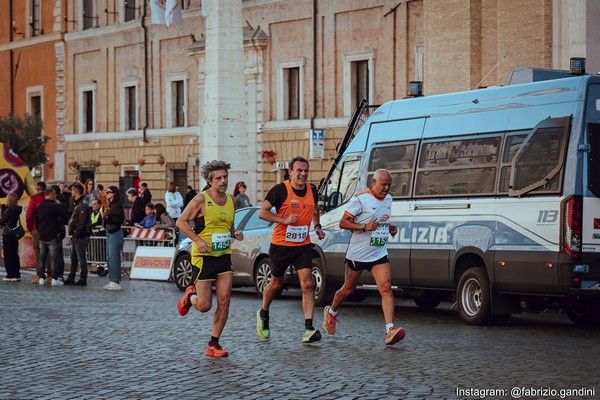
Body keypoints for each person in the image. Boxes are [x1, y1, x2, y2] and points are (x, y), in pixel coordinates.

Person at [322, 169, 405, 345]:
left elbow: (380, 219)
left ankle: (390, 330)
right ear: (374, 182)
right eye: (383, 185)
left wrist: (389, 227)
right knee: (348, 289)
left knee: (386, 288)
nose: (386, 188)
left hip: (378, 252)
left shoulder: (389, 199)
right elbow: (343, 223)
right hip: (358, 254)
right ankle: (331, 312)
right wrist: (363, 227)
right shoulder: (360, 199)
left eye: (389, 185)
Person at [176, 160, 244, 358]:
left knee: (224, 300)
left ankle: (213, 344)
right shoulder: (200, 200)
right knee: (205, 305)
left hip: (223, 256)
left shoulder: (233, 200)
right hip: (203, 257)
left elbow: (227, 225)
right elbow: (181, 222)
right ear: (210, 180)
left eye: (225, 177)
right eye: (218, 178)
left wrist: (234, 233)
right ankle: (189, 296)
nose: (223, 181)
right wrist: (197, 240)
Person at [256, 156, 325, 343]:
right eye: (299, 170)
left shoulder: (312, 189)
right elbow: (262, 213)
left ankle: (308, 328)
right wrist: (284, 220)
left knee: (308, 284)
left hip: (303, 244)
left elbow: (315, 208)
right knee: (276, 284)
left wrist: (317, 226)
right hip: (281, 245)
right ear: (290, 172)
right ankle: (264, 312)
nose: (303, 174)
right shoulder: (280, 190)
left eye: (306, 171)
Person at [34, 189, 68, 286]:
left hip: (42, 235)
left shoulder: (39, 206)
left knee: (42, 258)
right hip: (53, 236)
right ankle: (54, 278)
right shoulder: (54, 206)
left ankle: (41, 277)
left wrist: (40, 231)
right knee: (54, 259)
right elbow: (65, 214)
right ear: (52, 195)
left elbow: (36, 221)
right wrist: (60, 204)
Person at [64, 183, 91, 286]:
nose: (71, 193)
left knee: (81, 257)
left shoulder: (82, 204)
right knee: (74, 257)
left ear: (75, 192)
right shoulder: (77, 203)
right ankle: (72, 276)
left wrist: (76, 232)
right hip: (76, 235)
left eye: (72, 191)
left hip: (80, 235)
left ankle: (83, 278)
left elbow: (81, 222)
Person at [103, 186, 125, 290]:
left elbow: (119, 220)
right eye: (106, 192)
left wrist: (107, 217)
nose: (106, 194)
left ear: (114, 194)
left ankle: (115, 280)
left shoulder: (117, 206)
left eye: (108, 192)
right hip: (109, 231)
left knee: (114, 257)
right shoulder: (110, 205)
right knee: (109, 257)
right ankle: (112, 279)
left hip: (115, 232)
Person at [26, 181, 48, 284]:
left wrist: (29, 227)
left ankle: (40, 274)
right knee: (48, 252)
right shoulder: (48, 198)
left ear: (38, 189)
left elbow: (29, 214)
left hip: (36, 228)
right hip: (48, 228)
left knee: (38, 252)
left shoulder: (34, 199)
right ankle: (50, 275)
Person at [0, 193, 23, 281]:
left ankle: (11, 274)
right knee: (14, 254)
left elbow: (2, 221)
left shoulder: (9, 210)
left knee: (8, 255)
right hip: (14, 233)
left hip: (8, 233)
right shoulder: (18, 209)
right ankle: (16, 274)